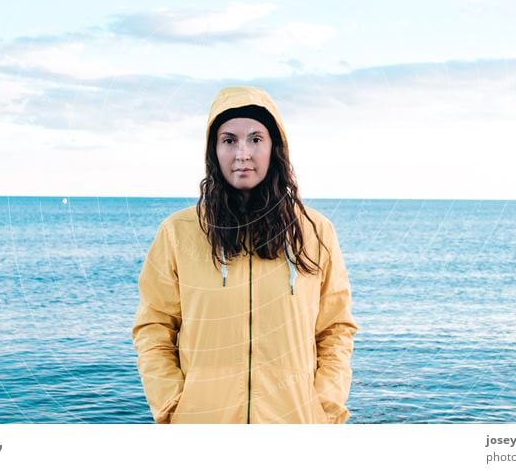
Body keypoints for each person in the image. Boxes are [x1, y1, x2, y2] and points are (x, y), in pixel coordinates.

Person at [132, 86, 357, 424]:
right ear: (214, 150)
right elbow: (154, 327)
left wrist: (323, 408)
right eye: (229, 140)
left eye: (255, 139)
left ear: (274, 147)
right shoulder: (178, 232)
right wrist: (173, 406)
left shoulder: (315, 231)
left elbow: (335, 330)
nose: (242, 154)